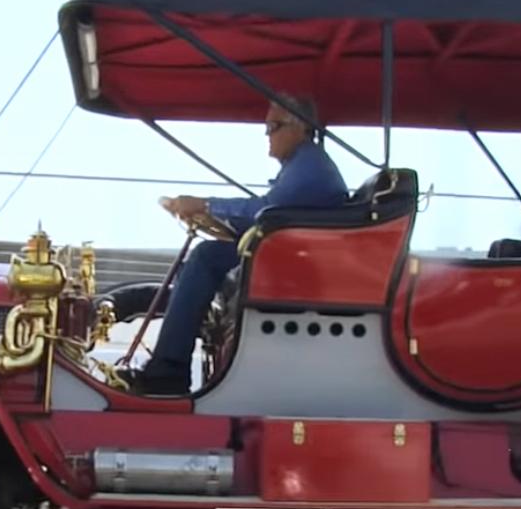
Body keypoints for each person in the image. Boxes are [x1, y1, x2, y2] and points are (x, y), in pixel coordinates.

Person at [119, 94, 349, 395]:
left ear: (301, 126)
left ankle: (168, 371)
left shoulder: (309, 166)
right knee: (201, 261)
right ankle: (175, 356)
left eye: (274, 127)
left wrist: (206, 205)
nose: (268, 136)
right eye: (267, 128)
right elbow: (270, 216)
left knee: (205, 257)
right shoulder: (304, 165)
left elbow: (266, 212)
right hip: (295, 259)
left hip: (299, 266)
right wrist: (212, 215)